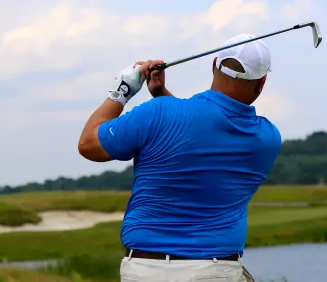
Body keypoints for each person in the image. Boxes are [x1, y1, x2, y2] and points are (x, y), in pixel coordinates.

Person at [77, 34, 282, 282]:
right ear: (261, 83)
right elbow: (203, 130)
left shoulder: (159, 112)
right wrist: (162, 94)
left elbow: (89, 145)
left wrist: (123, 89)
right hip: (216, 271)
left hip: (144, 269)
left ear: (214, 65)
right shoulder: (266, 138)